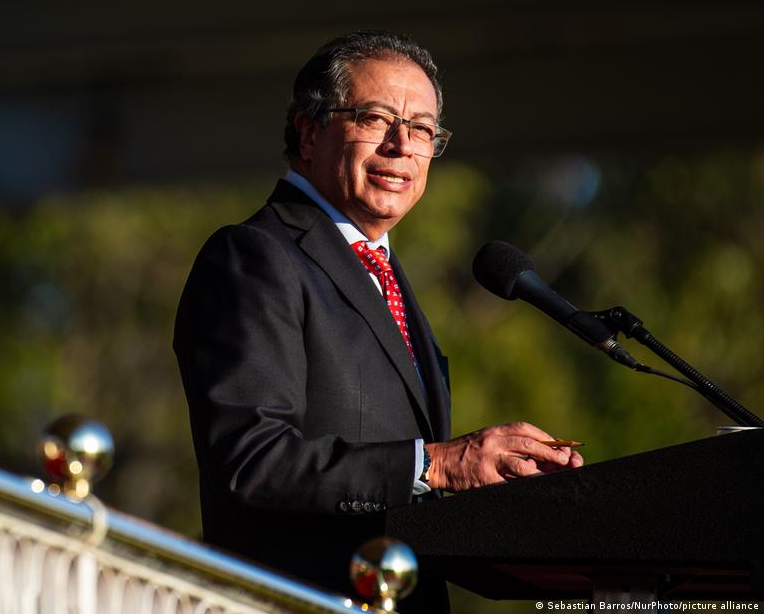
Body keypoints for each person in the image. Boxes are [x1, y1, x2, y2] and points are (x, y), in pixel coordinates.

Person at [172, 31, 583, 609]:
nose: (402, 146)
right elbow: (253, 462)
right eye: (376, 118)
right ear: (309, 131)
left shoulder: (385, 274)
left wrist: (503, 483)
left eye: (421, 129)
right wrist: (437, 464)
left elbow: (407, 487)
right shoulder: (253, 255)